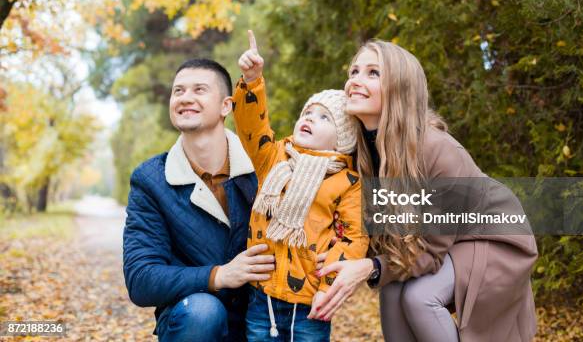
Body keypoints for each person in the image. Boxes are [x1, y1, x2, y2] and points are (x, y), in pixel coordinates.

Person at [314, 40, 539, 341]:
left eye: (372, 73)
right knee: (392, 290)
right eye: (354, 71)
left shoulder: (440, 151)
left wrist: (369, 267)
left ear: (400, 88)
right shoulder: (363, 152)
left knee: (420, 296)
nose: (355, 80)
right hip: (446, 240)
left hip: (493, 235)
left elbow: (430, 252)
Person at [123, 58, 276, 341]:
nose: (185, 98)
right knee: (203, 311)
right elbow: (141, 279)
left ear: (226, 106)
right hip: (194, 322)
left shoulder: (264, 168)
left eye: (199, 90)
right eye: (178, 91)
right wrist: (218, 276)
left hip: (265, 317)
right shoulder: (150, 180)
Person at [233, 31, 369, 341]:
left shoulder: (347, 182)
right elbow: (252, 128)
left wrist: (328, 287)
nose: (309, 118)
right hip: (262, 292)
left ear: (343, 140)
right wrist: (252, 80)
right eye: (308, 112)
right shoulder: (275, 157)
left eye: (324, 117)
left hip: (310, 300)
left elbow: (353, 238)